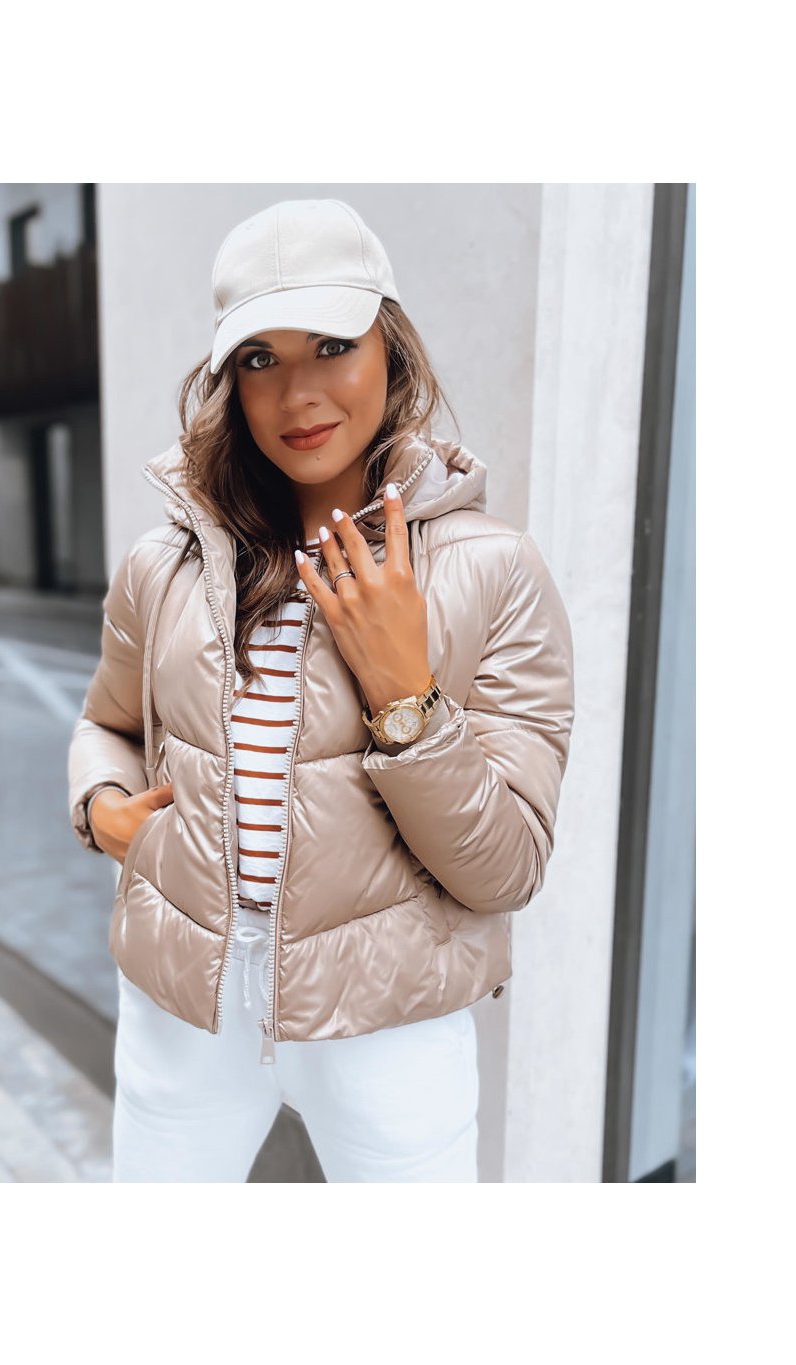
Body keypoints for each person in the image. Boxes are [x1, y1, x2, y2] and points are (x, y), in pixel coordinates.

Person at [67, 197, 575, 1183]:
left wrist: (404, 694)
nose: (297, 393)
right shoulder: (164, 565)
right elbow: (106, 722)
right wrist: (103, 808)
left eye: (333, 345)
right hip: (186, 1002)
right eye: (261, 357)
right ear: (229, 381)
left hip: (387, 1019)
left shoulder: (494, 570)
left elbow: (507, 870)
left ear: (392, 350)